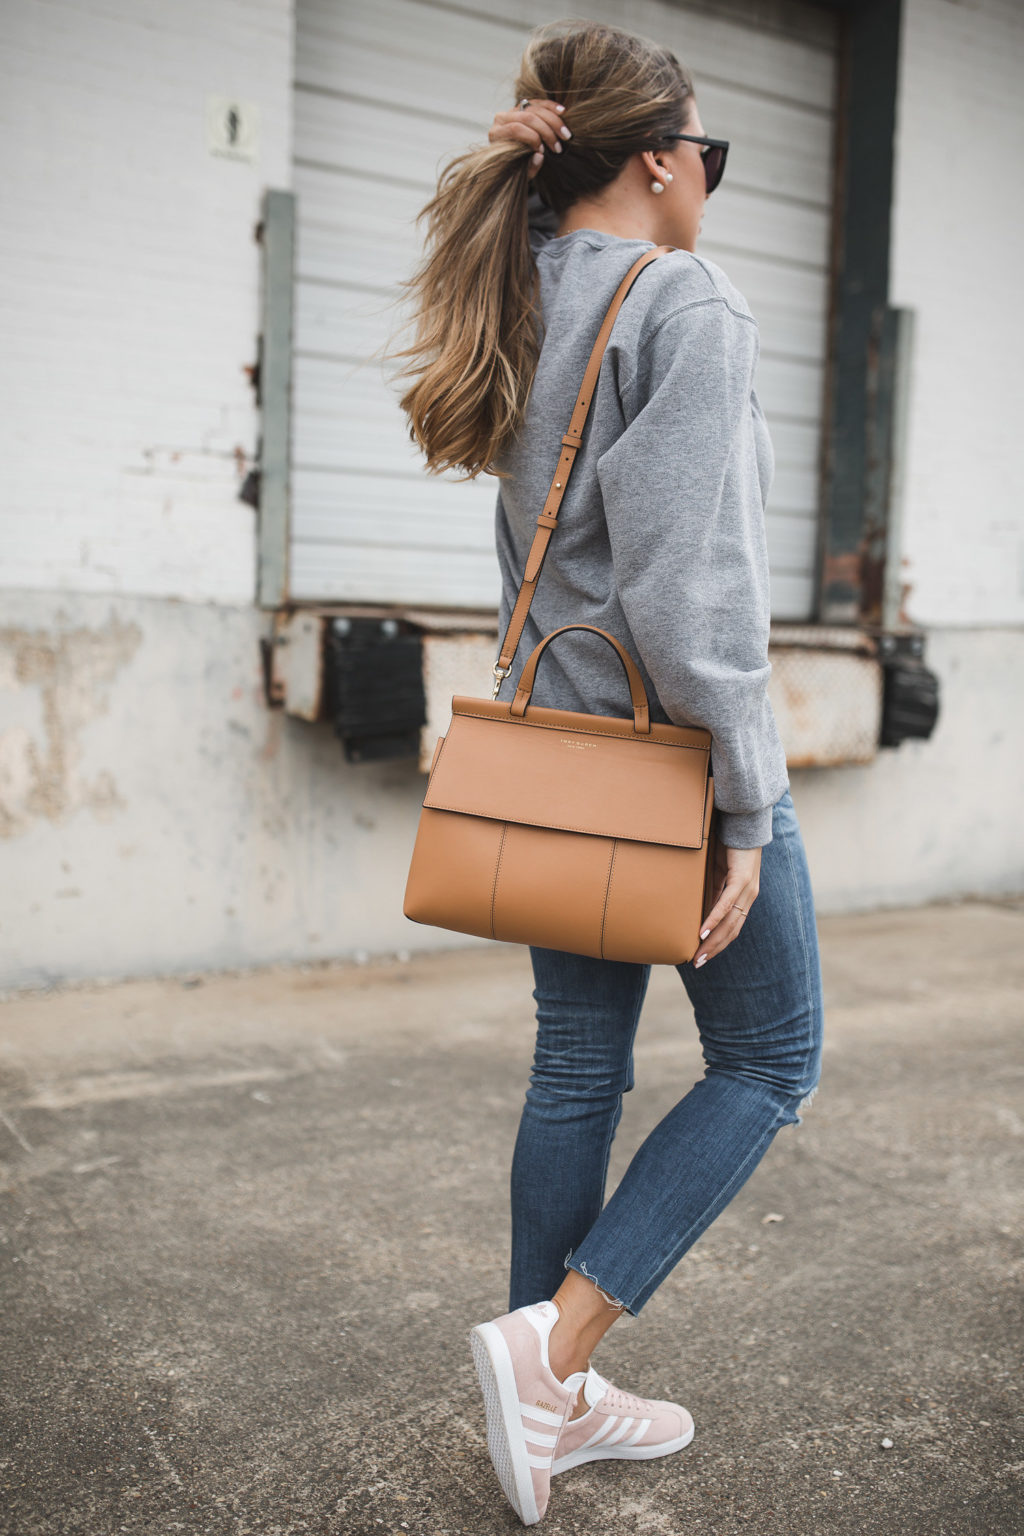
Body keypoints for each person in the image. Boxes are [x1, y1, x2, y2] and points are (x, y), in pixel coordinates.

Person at [389, 19, 825, 1527]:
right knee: (773, 1059)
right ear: (655, 158)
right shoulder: (682, 300)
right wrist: (748, 808)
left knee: (579, 1065)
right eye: (709, 149)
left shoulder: (529, 283)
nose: (712, 177)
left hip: (557, 767)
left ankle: (551, 1407)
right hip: (669, 770)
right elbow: (690, 591)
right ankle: (553, 1351)